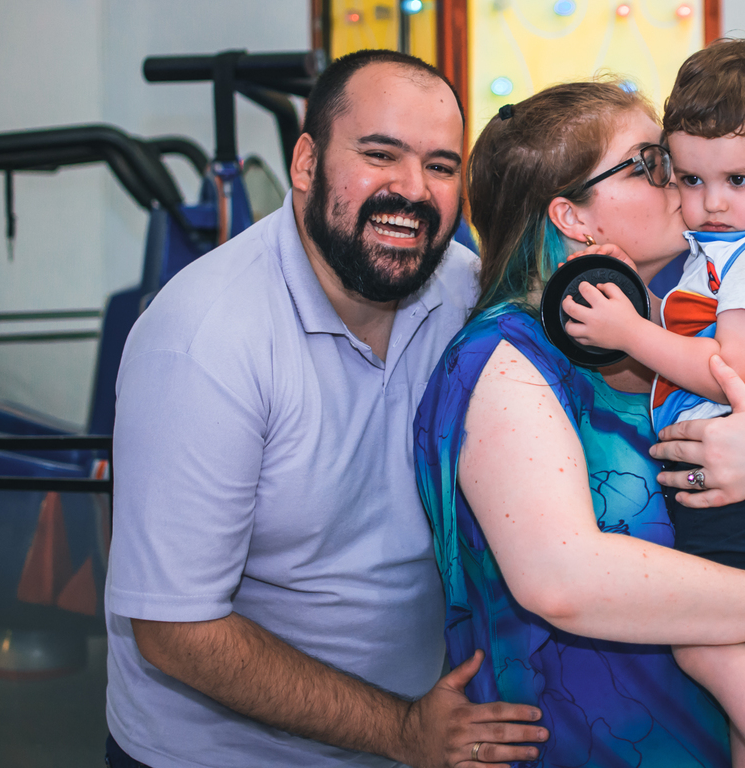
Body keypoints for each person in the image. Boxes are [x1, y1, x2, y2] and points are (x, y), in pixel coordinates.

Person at [414, 80, 745, 766]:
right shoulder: (503, 361)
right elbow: (563, 579)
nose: (682, 184)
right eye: (650, 164)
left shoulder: (682, 337)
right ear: (572, 216)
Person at [104, 50, 550, 768]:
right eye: (380, 155)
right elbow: (174, 628)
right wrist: (404, 730)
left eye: (440, 166)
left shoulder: (465, 297)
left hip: (415, 733)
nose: (413, 190)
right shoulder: (205, 338)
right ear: (306, 162)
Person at [559, 39, 745, 767]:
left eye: (738, 178)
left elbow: (729, 367)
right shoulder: (730, 242)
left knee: (706, 647)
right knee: (743, 646)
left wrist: (630, 333)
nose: (710, 203)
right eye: (690, 177)